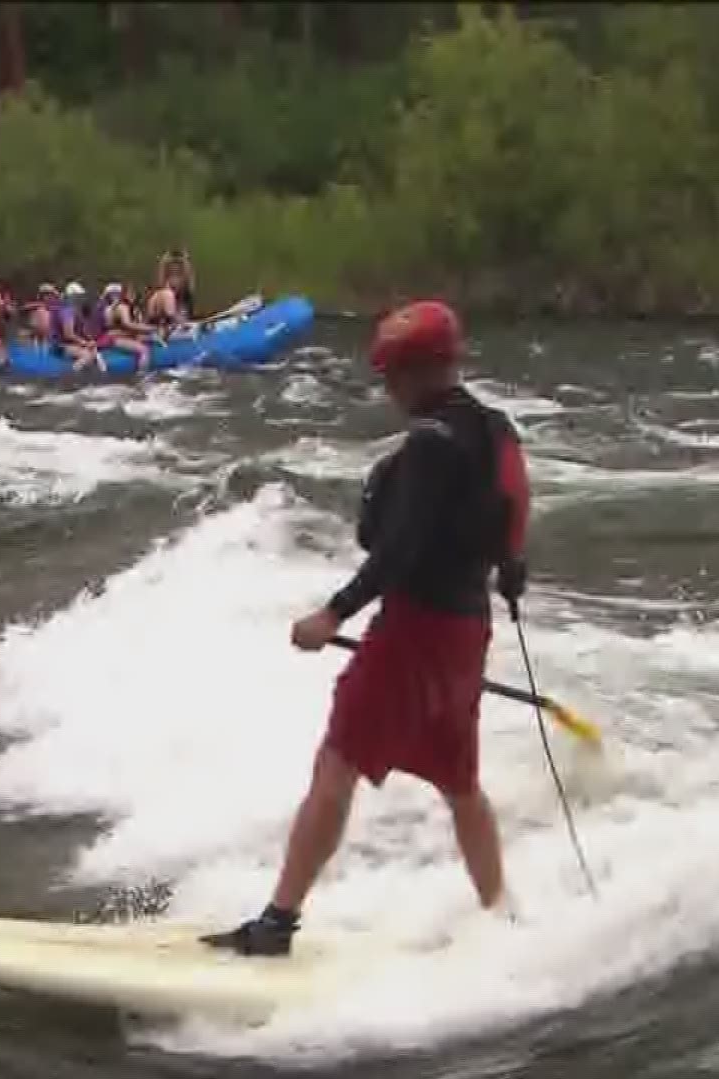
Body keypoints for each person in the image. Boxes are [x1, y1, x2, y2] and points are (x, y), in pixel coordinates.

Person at [199, 299, 532, 958]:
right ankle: (503, 920)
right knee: (459, 781)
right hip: (469, 630)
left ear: (412, 372)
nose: (388, 389)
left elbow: (400, 547)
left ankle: (276, 925)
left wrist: (335, 613)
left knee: (338, 760)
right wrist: (512, 569)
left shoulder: (430, 443)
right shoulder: (497, 428)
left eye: (390, 376)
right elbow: (516, 502)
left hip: (415, 629)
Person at [97, 281, 157, 372]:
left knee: (148, 340)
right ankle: (141, 375)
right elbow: (128, 324)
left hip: (118, 336)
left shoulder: (112, 307)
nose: (133, 296)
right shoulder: (122, 307)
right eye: (130, 294)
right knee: (143, 350)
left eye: (133, 294)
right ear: (124, 294)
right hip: (116, 339)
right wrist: (150, 328)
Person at [58, 281, 104, 372]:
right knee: (86, 356)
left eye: (79, 296)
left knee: (95, 354)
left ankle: (93, 378)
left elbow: (83, 331)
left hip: (74, 343)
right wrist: (85, 343)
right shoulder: (67, 312)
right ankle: (70, 375)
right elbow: (68, 334)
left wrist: (90, 341)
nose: (79, 298)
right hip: (63, 345)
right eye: (76, 296)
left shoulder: (77, 311)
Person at [144, 255, 192, 335]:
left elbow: (188, 278)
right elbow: (170, 313)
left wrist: (186, 261)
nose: (178, 283)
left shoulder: (178, 295)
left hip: (162, 327)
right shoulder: (166, 293)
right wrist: (184, 324)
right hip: (156, 331)